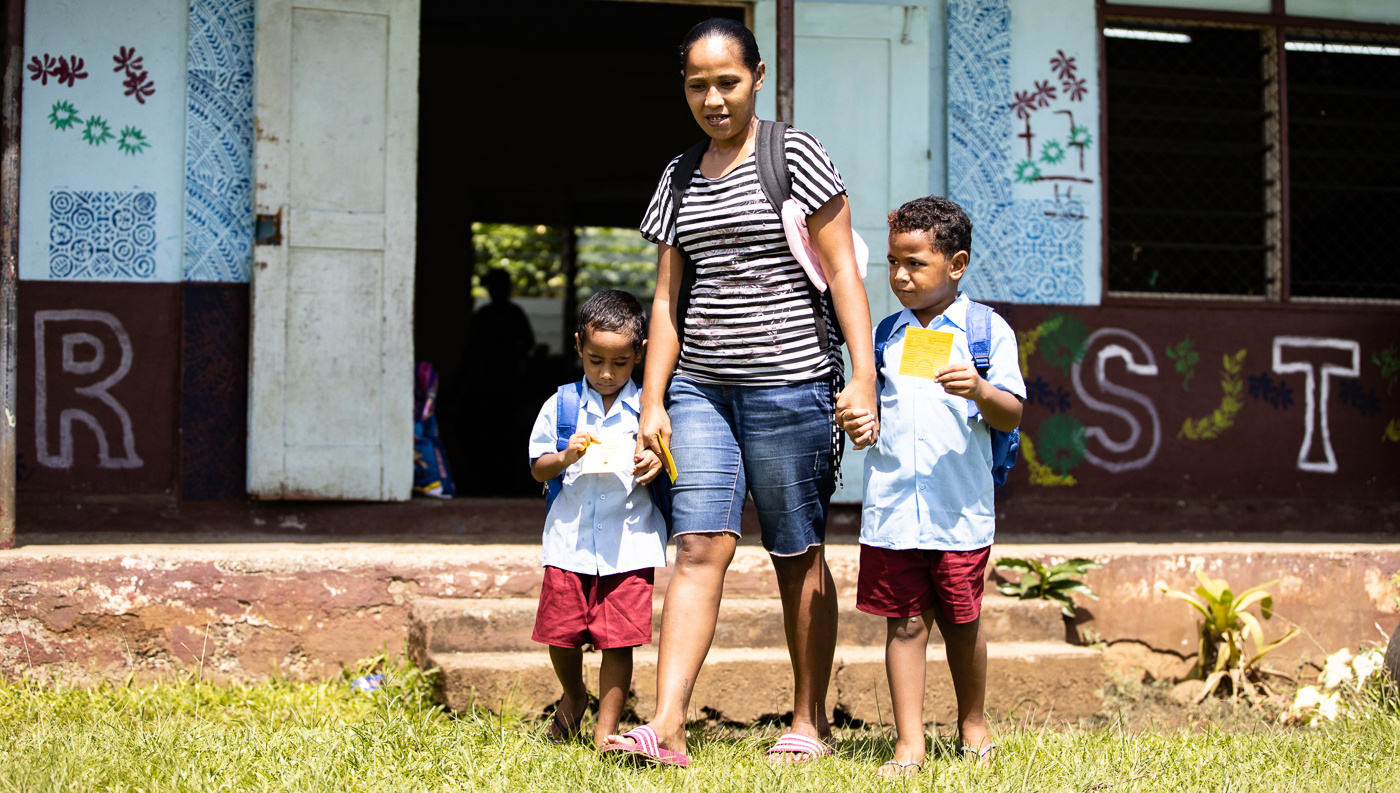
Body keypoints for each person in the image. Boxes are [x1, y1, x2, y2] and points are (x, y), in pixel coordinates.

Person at [601, 17, 879, 766]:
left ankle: (809, 720)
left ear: (757, 78)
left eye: (728, 82)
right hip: (700, 390)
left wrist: (863, 375)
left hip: (792, 386)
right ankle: (668, 724)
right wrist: (652, 399)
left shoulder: (795, 154)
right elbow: (667, 300)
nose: (714, 99)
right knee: (697, 545)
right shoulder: (678, 175)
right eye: (698, 85)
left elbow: (843, 272)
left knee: (797, 551)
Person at [839, 196, 1025, 778]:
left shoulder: (984, 332)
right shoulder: (884, 337)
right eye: (893, 262)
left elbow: (1012, 413)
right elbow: (872, 411)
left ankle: (973, 724)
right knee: (905, 623)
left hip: (958, 511)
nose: (899, 275)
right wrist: (861, 423)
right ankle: (909, 744)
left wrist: (980, 390)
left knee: (962, 622)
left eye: (915, 263)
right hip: (893, 511)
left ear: (957, 264)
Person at [527, 289, 666, 749]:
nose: (606, 373)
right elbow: (537, 467)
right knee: (561, 635)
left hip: (629, 544)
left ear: (640, 353)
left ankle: (606, 729)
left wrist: (656, 461)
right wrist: (565, 456)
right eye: (595, 360)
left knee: (618, 641)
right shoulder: (563, 406)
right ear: (578, 347)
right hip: (569, 542)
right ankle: (573, 694)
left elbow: (670, 460)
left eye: (620, 362)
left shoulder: (648, 409)